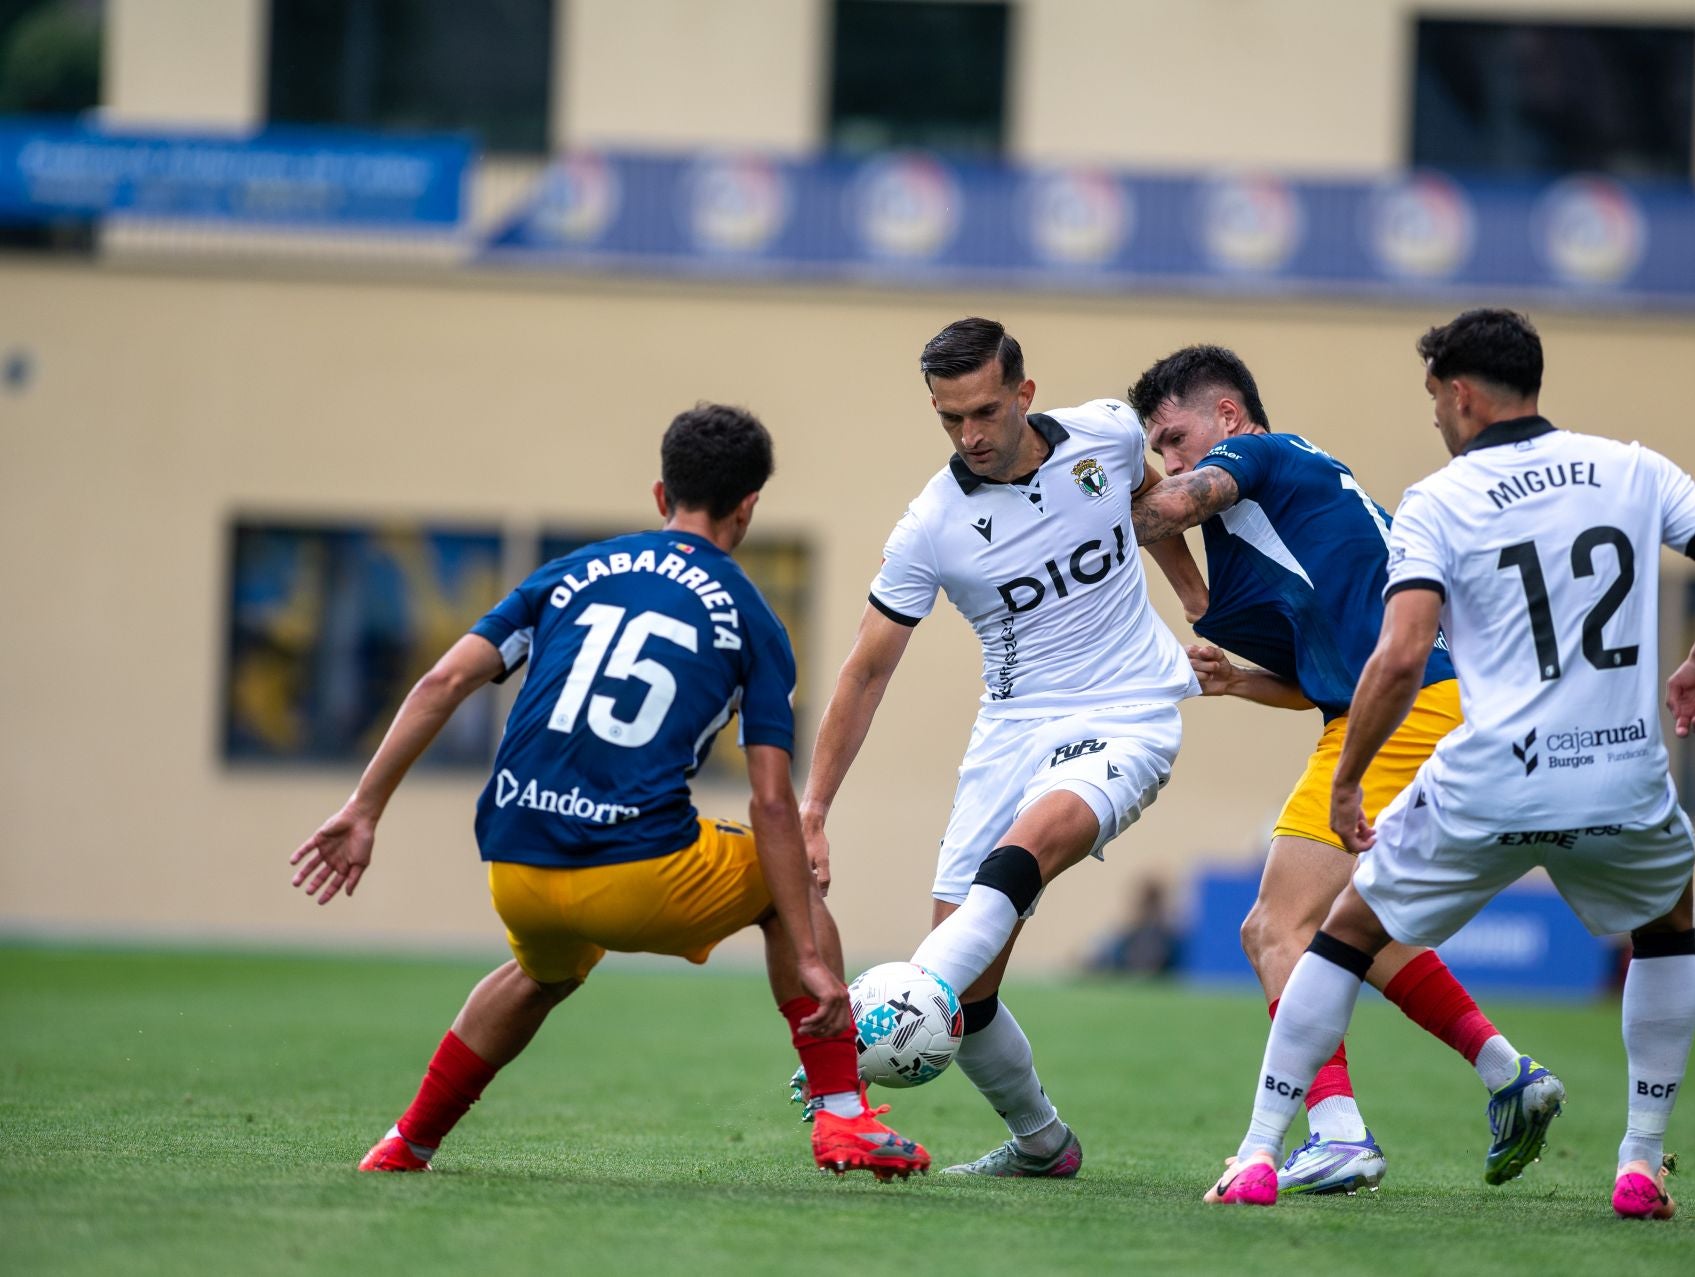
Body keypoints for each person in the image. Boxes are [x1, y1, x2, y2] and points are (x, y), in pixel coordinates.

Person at [1209, 308, 1695, 1219]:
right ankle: (1638, 1162)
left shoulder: (1442, 498)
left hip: (1492, 778)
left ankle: (1258, 1153)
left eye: (1435, 396)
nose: (1436, 415)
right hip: (1622, 775)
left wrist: (1352, 775)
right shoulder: (1631, 468)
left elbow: (1399, 658)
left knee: (1340, 934)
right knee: (1667, 928)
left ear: (1463, 393)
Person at [289, 404, 931, 1181]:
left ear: (662, 495)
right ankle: (842, 1115)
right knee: (782, 876)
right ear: (748, 508)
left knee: (541, 971)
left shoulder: (566, 574)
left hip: (514, 866)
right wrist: (809, 951)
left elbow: (443, 678)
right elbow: (770, 804)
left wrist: (363, 809)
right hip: (636, 877)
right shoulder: (754, 618)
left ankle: (407, 1142)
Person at [797, 317, 1207, 1177]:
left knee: (1023, 854)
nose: (970, 436)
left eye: (984, 412)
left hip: (1128, 710)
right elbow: (866, 671)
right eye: (950, 419)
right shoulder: (931, 524)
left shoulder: (1108, 431)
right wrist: (815, 805)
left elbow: (1152, 507)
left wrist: (1200, 604)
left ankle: (888, 1012)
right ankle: (1043, 1143)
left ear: (1025, 393)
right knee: (970, 992)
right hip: (1010, 730)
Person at [1127, 344, 1534, 1198]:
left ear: (1229, 418)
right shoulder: (1273, 522)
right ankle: (1509, 1073)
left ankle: (1338, 1130)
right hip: (1399, 709)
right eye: (1157, 447)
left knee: (1274, 926)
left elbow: (1168, 505)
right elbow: (1276, 647)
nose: (1171, 458)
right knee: (1352, 928)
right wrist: (1238, 681)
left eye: (1175, 436)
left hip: (1405, 713)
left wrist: (1075, 490)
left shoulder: (1261, 455)